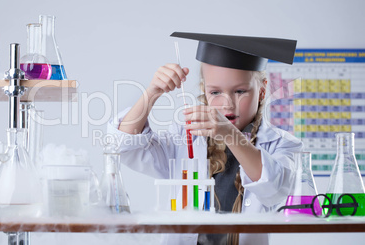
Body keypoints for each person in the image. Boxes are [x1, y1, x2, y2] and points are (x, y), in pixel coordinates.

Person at [107, 32, 303, 245]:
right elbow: (123, 146)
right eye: (215, 92)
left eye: (239, 91)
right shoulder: (185, 137)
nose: (227, 103)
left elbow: (274, 189)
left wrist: (228, 133)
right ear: (204, 91)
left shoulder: (282, 144)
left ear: (263, 91)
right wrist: (153, 91)